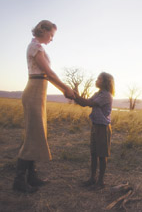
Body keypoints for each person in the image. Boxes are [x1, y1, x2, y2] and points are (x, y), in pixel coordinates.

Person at [13, 20, 75, 193]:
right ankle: (19, 181)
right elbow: (48, 72)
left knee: (36, 134)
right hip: (33, 93)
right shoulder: (35, 47)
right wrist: (65, 88)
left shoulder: (37, 46)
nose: (52, 39)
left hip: (38, 94)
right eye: (52, 35)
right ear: (43, 30)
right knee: (32, 135)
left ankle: (31, 176)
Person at [74, 72, 114, 189]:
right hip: (95, 126)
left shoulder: (106, 95)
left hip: (103, 127)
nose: (96, 80)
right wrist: (75, 92)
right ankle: (92, 178)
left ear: (105, 82)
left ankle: (100, 182)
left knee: (102, 155)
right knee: (93, 154)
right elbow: (83, 103)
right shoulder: (98, 93)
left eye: (99, 79)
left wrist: (75, 94)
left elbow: (88, 103)